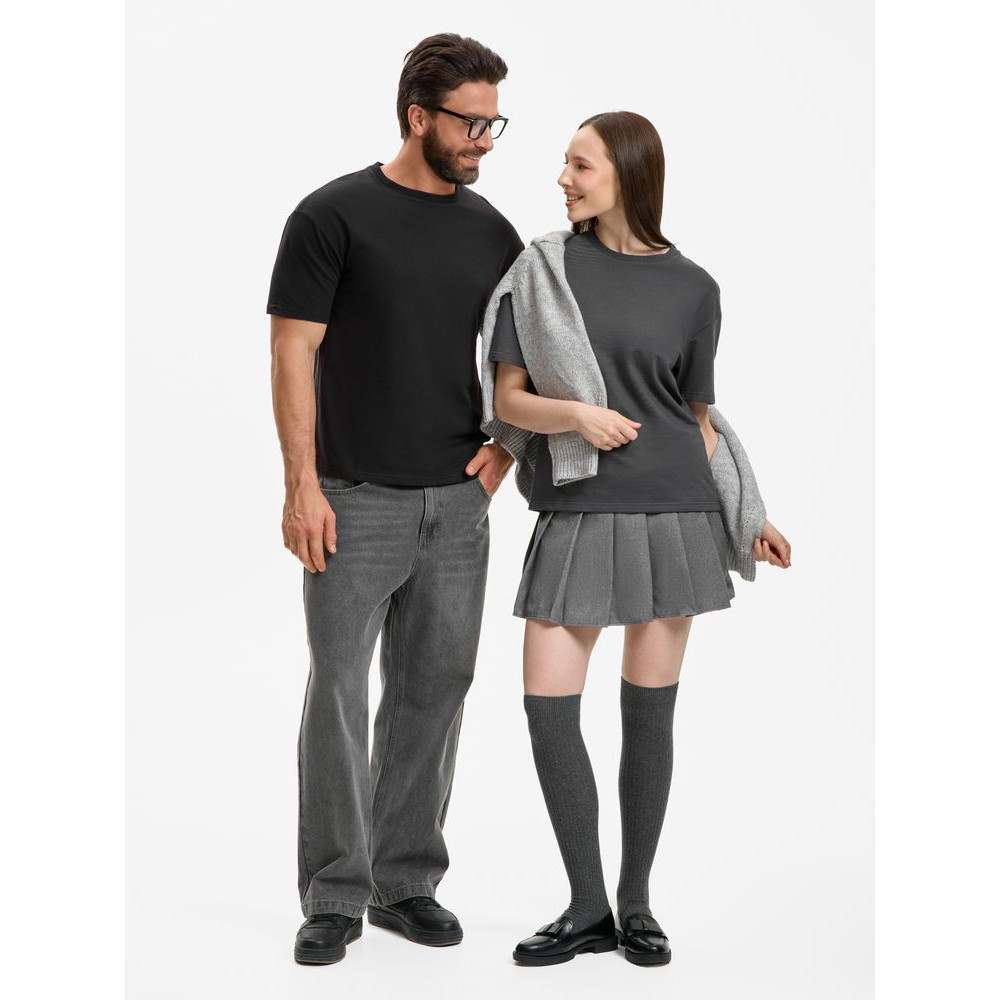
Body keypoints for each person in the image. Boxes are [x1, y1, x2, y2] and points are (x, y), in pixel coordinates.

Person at [479, 111, 792, 967]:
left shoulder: (695, 288)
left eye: (579, 165)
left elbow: (698, 420)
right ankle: (585, 907)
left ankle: (637, 904)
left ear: (626, 172)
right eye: (564, 164)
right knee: (548, 709)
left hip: (676, 513)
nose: (563, 178)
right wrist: (577, 415)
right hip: (579, 508)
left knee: (648, 716)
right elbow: (509, 399)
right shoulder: (543, 271)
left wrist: (749, 513)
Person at [265, 33, 521, 966]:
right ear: (419, 116)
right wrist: (301, 487)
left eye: (494, 122)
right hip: (353, 499)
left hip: (457, 503)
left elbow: (523, 357)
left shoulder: (492, 232)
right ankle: (335, 892)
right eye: (471, 122)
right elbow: (291, 350)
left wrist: (505, 455)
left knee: (435, 690)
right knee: (337, 690)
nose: (485, 139)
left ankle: (405, 881)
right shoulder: (331, 215)